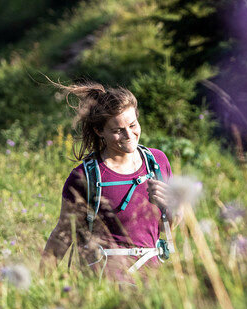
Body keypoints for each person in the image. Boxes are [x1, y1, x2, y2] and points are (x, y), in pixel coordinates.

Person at [41, 82, 181, 280]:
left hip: (154, 285)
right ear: (100, 131)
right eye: (118, 130)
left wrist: (172, 206)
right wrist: (41, 285)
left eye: (133, 125)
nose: (129, 135)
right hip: (105, 287)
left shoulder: (157, 162)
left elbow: (170, 225)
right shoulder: (84, 177)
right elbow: (63, 235)